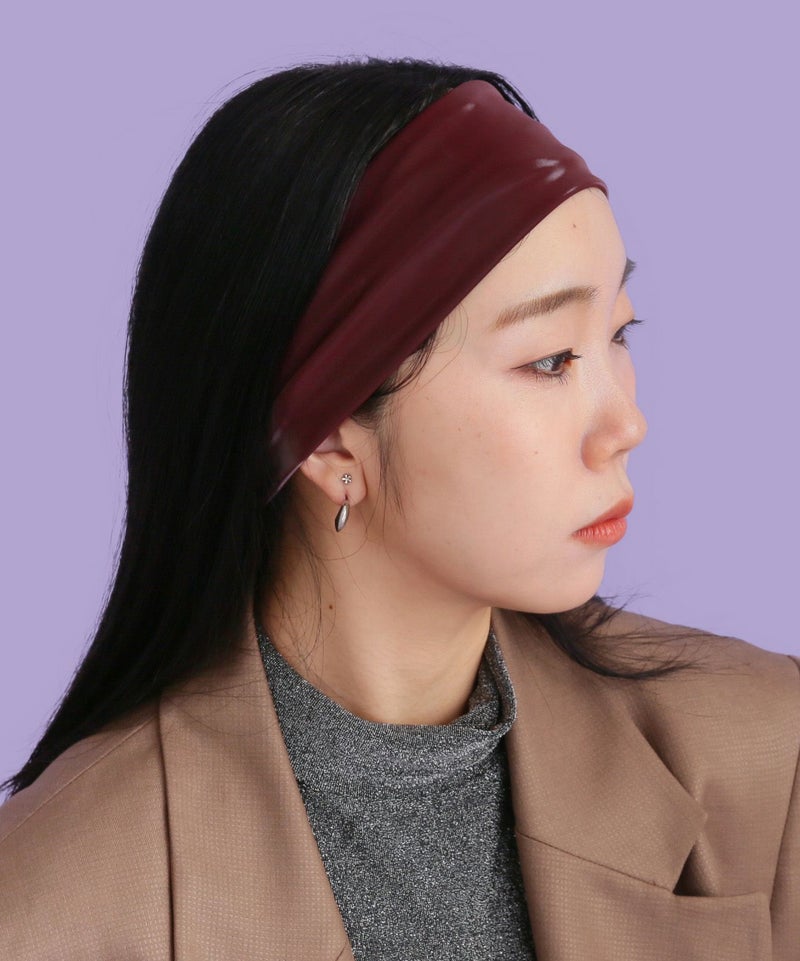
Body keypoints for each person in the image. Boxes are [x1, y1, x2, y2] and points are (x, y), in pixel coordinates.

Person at [0, 55, 797, 961]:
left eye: (619, 333)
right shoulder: (51, 910)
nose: (627, 424)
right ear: (330, 443)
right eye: (550, 360)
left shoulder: (764, 758)